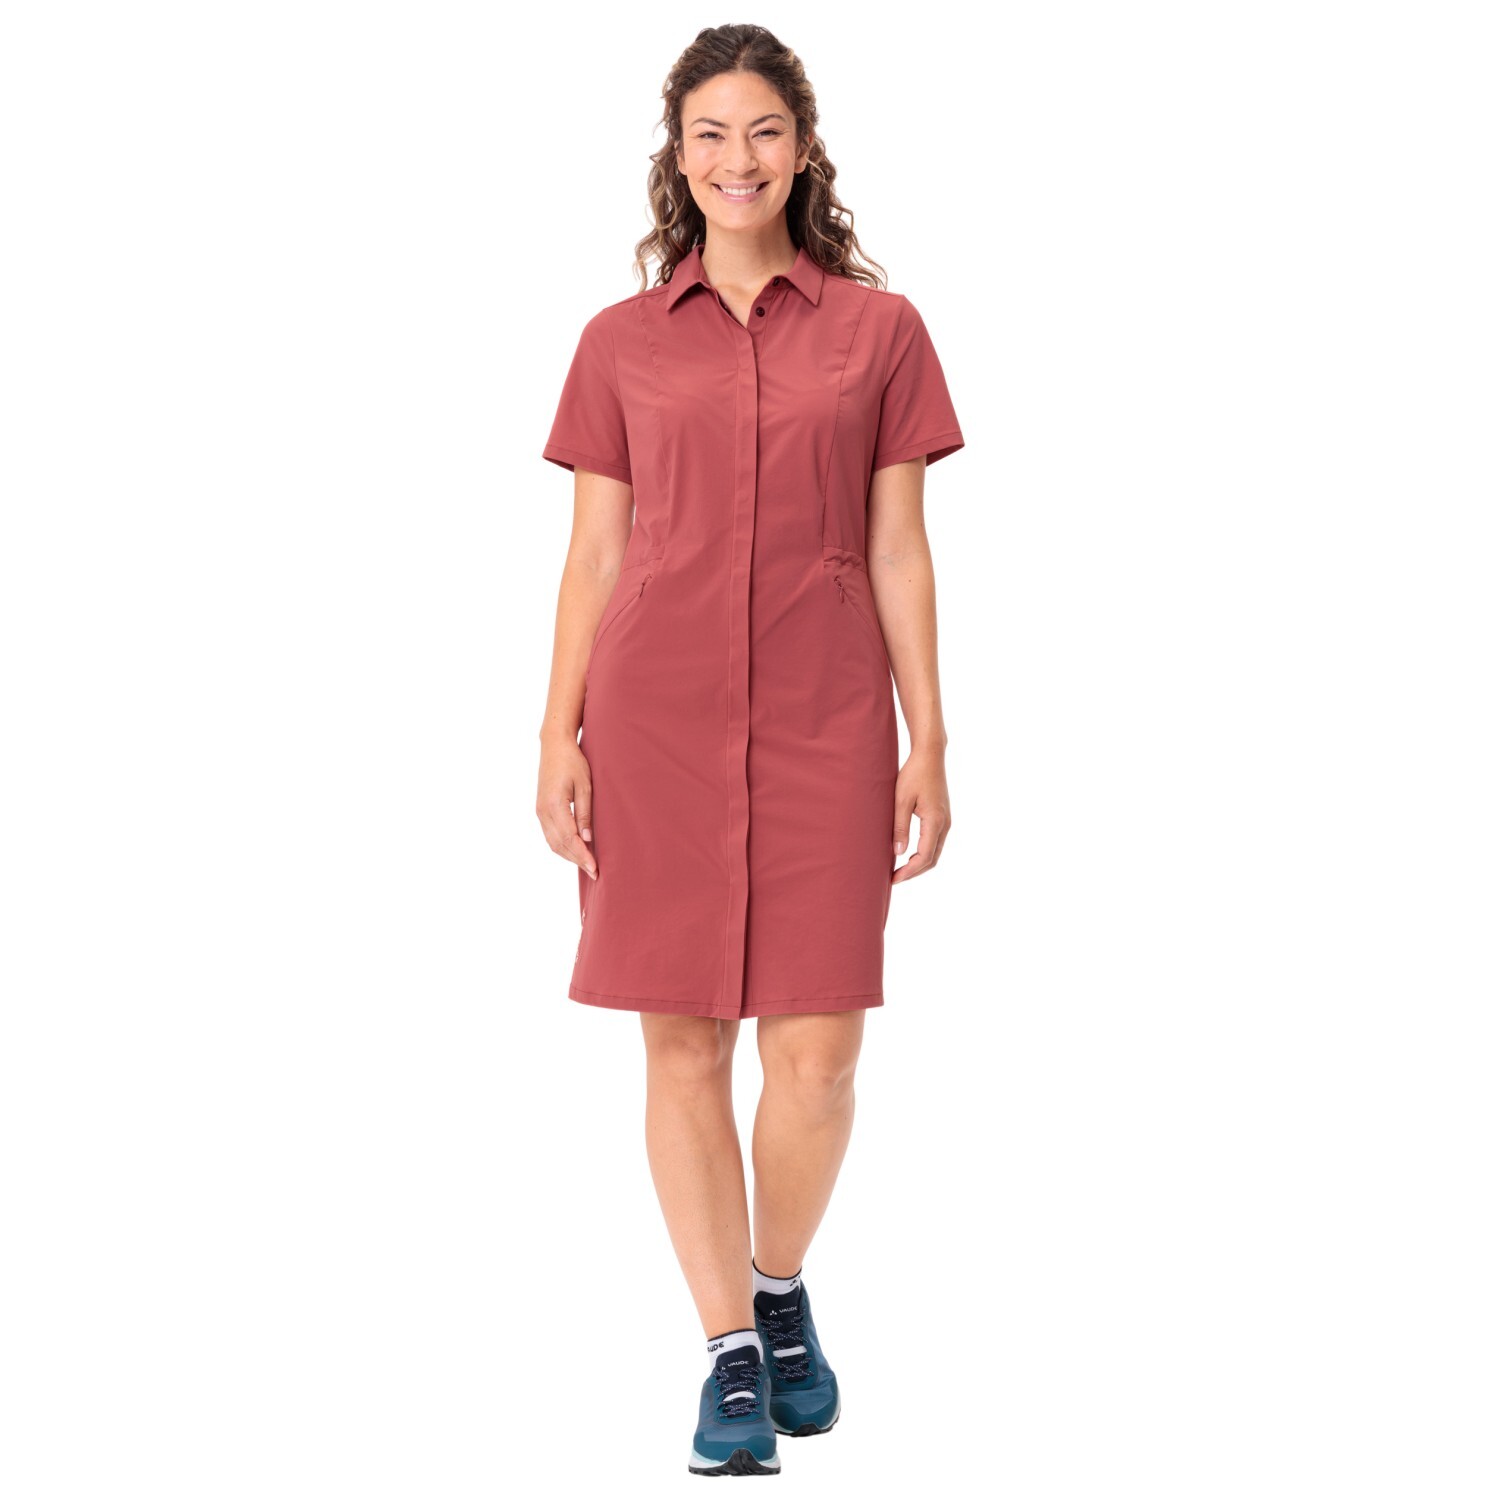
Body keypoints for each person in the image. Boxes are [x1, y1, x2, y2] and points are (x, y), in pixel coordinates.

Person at [535, 23, 964, 1477]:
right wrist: (555, 731)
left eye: (763, 130)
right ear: (678, 153)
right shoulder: (617, 343)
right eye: (710, 133)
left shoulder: (881, 335)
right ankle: (731, 1355)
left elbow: (900, 548)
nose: (738, 158)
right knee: (680, 1041)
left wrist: (929, 736)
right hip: (650, 717)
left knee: (819, 1056)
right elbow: (596, 555)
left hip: (829, 715)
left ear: (804, 148)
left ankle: (778, 1287)